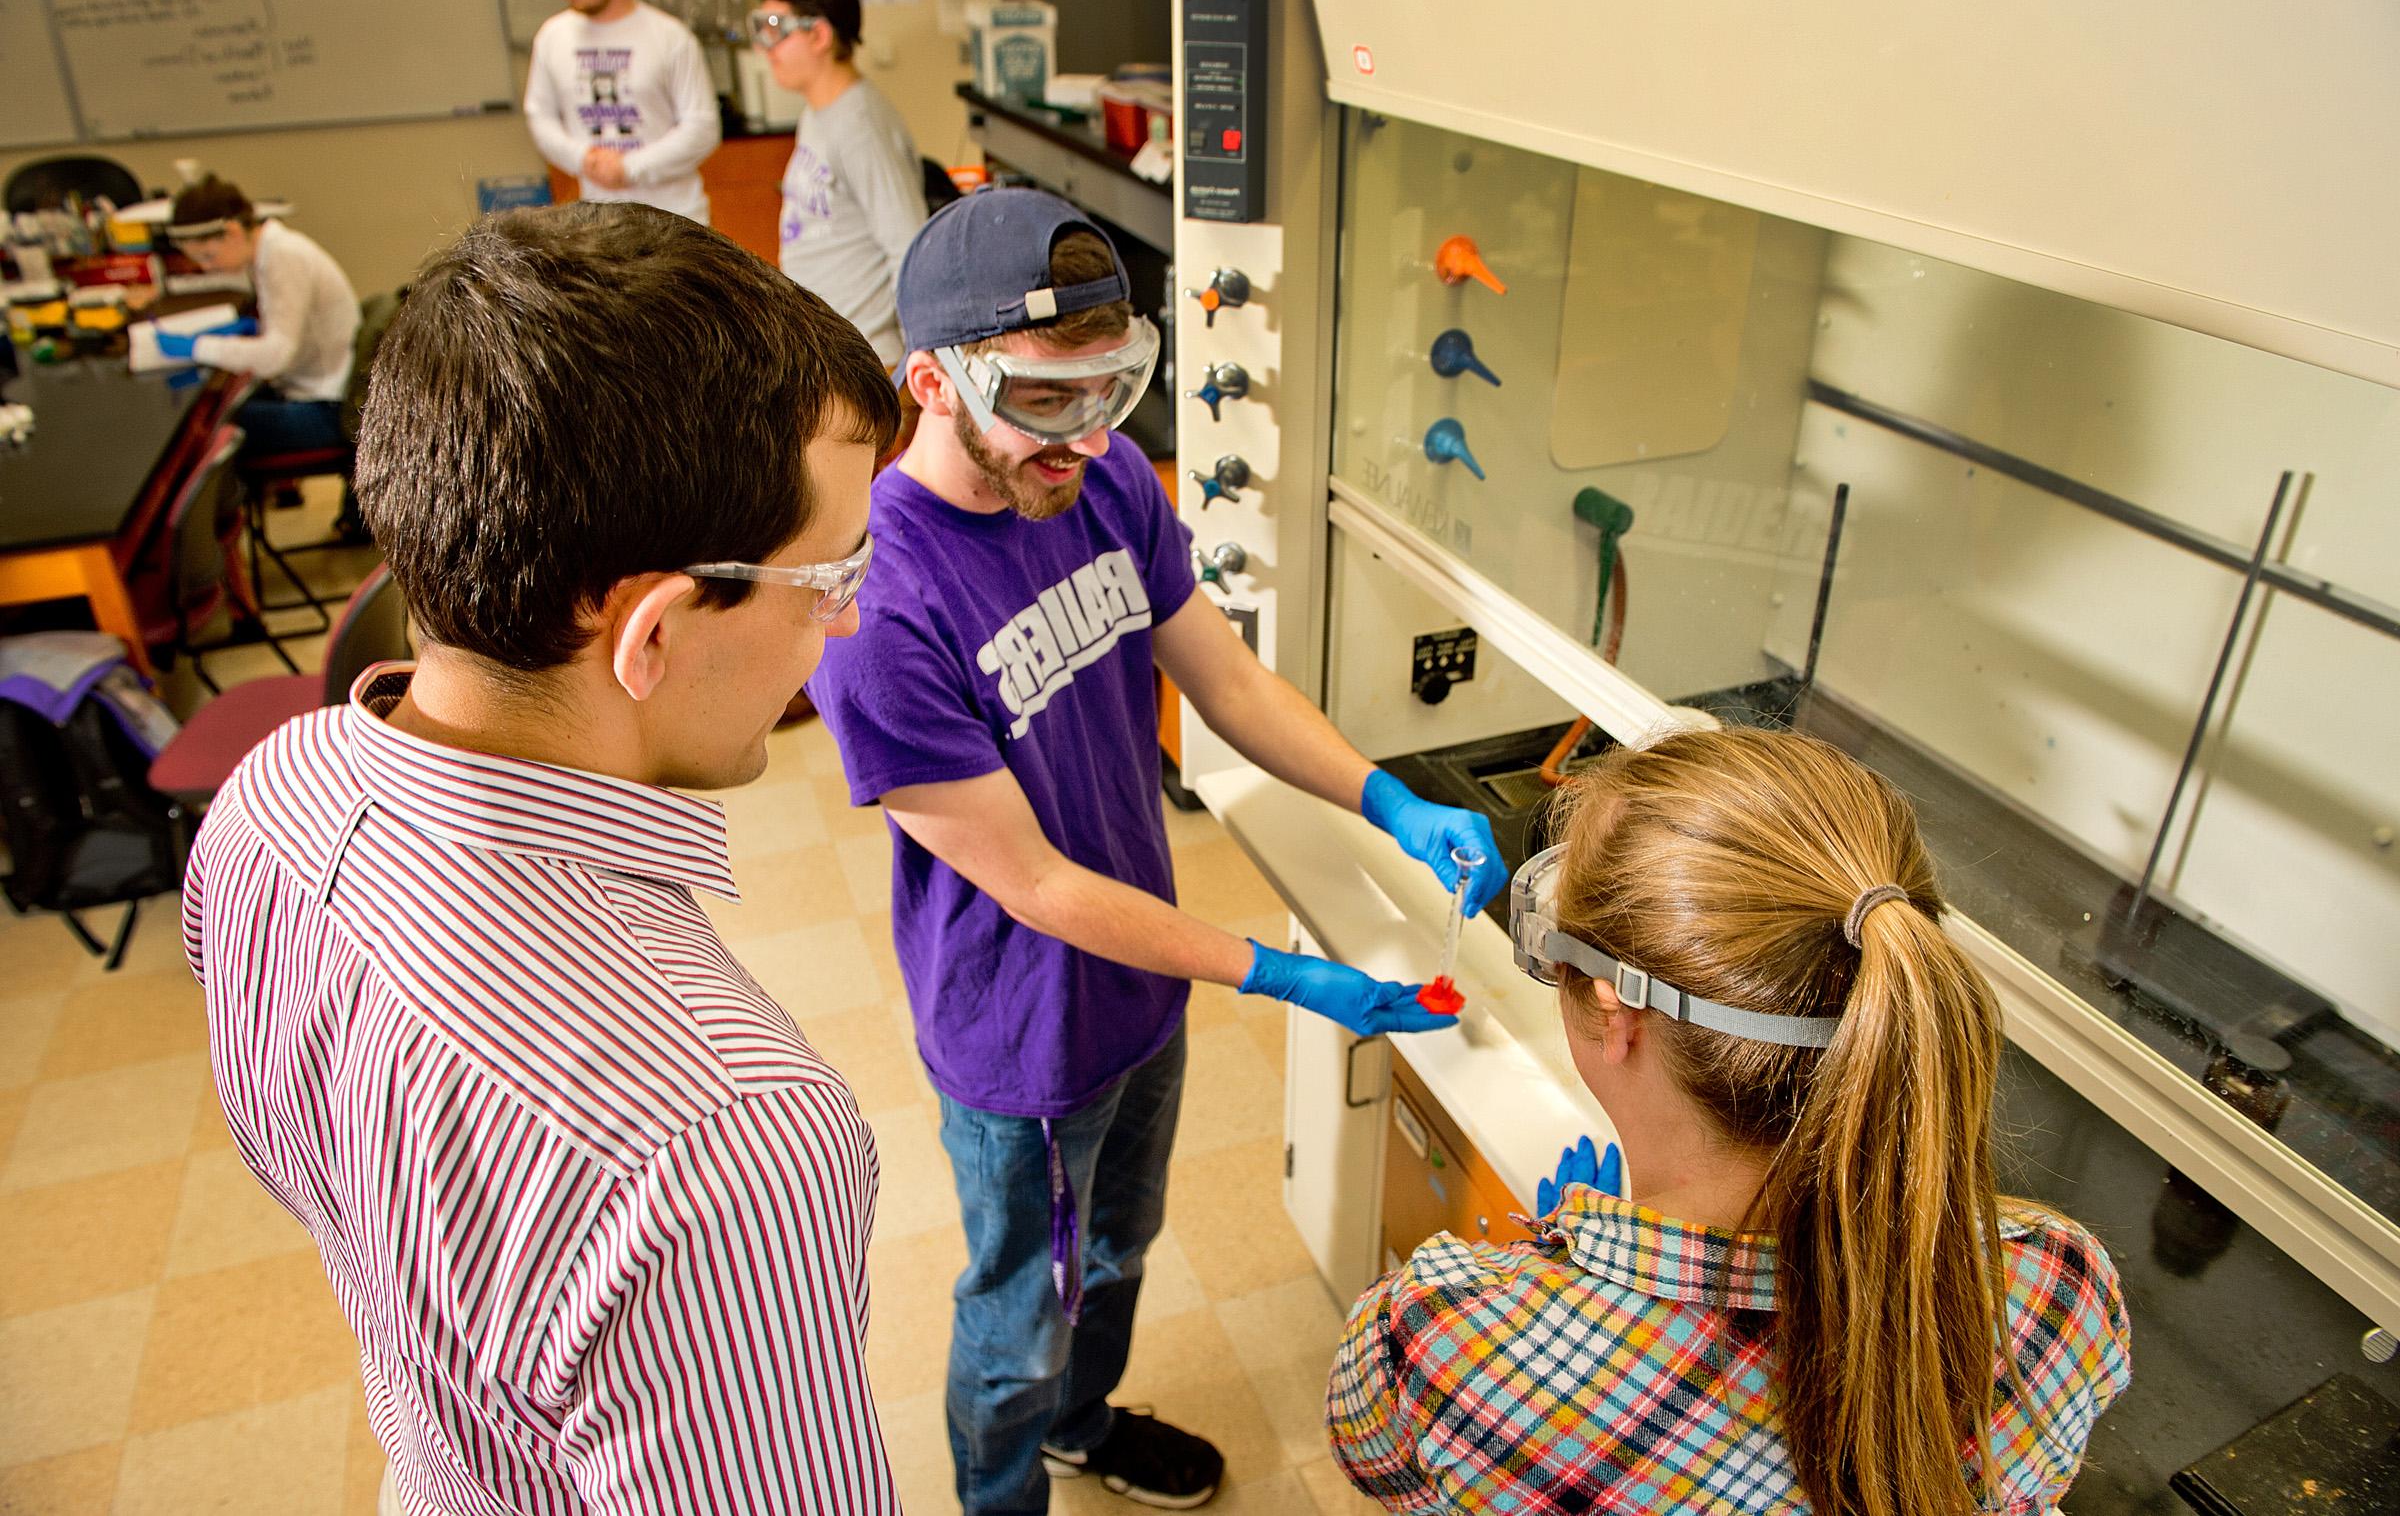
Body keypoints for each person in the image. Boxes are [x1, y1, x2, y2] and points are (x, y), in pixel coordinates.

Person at [180, 203, 905, 1514]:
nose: (844, 628)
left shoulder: (267, 803)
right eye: (828, 579)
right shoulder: (729, 1142)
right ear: (653, 632)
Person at [807, 186, 1506, 1515]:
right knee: (1019, 1310)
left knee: (1119, 1247)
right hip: (1022, 1034)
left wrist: (1390, 797)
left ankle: (1082, 1423)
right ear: (932, 383)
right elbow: (1038, 883)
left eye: (1108, 390)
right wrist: (1281, 975)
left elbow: (1226, 686)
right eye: (1041, 400)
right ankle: (1004, 1490)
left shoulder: (1106, 478)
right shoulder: (883, 608)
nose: (1081, 436)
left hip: (1141, 981)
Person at [1328, 727, 2134, 1515]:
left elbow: (1371, 1454)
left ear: (1616, 1014)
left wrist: (1549, 1265)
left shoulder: (1442, 1338)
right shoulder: (2060, 1290)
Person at [754, 0, 927, 366]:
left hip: (867, 358)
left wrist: (916, 360)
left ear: (819, 35)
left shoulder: (861, 126)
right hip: (826, 348)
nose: (765, 47)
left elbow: (908, 243)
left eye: (776, 28)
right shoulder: (817, 114)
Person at [526, 0, 721, 224]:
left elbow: (702, 127)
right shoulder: (552, 37)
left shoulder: (670, 36)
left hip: (676, 221)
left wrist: (630, 167)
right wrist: (583, 158)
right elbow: (540, 116)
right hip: (599, 223)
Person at [161, 176, 362, 456]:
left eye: (208, 256)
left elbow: (276, 357)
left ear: (232, 232)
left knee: (204, 432)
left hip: (327, 408)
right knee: (216, 409)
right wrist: (249, 329)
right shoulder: (268, 252)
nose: (207, 268)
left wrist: (197, 347)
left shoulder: (283, 257)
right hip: (312, 390)